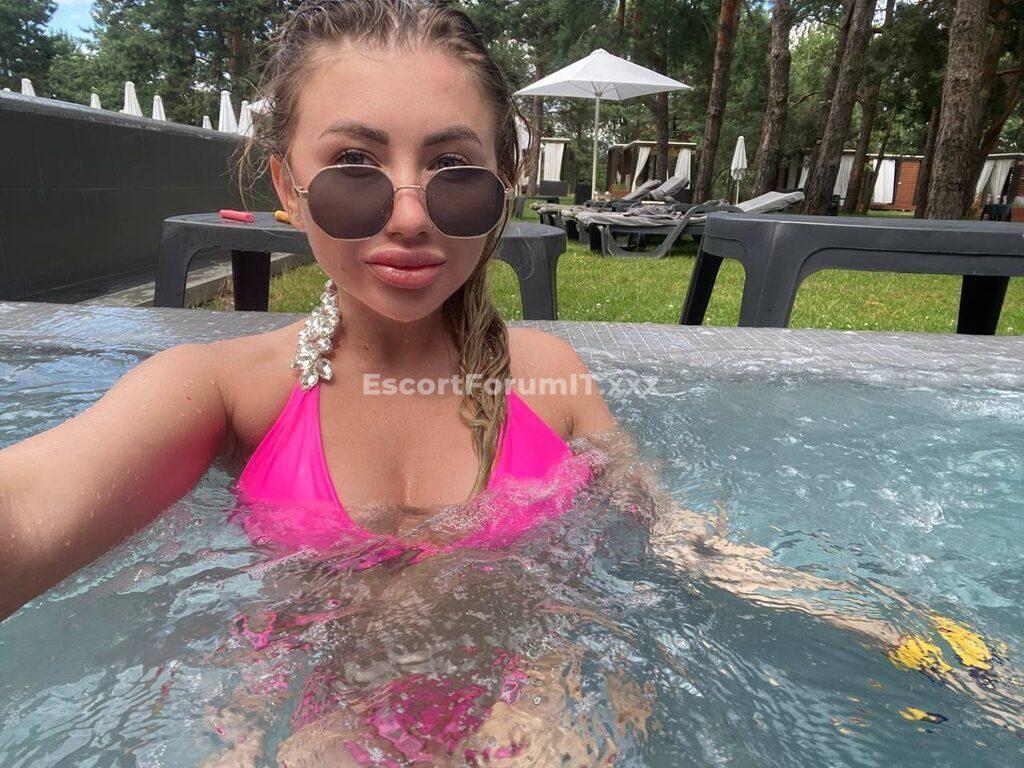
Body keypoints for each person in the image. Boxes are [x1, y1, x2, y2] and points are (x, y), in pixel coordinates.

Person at [0, 1, 1019, 764]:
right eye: (354, 167)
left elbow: (671, 535)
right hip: (309, 721)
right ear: (287, 186)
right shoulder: (224, 390)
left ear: (504, 183)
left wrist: (886, 625)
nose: (409, 215)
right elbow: (32, 506)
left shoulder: (551, 379)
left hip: (541, 708)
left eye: (454, 171)